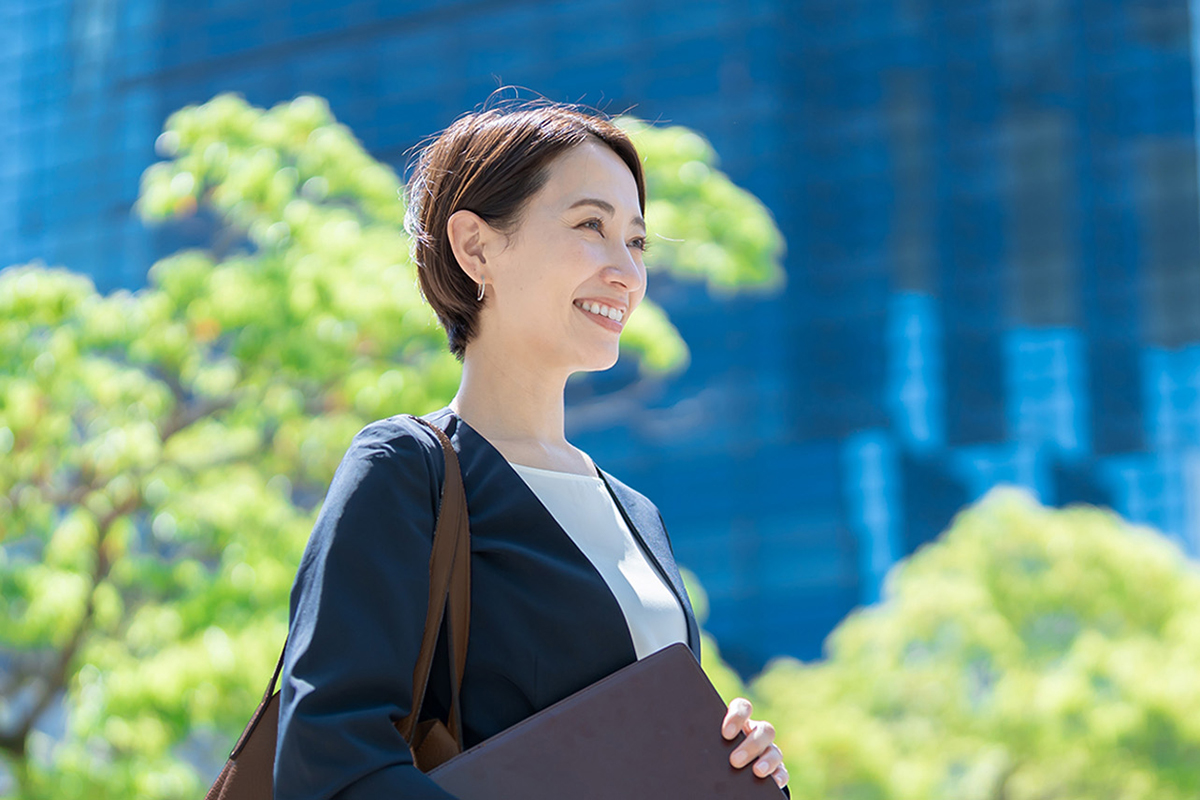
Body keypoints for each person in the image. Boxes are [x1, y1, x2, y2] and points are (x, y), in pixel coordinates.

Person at [273, 100, 790, 798]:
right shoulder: (405, 470)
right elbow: (332, 762)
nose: (627, 273)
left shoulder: (635, 513)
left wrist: (730, 761)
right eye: (590, 226)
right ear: (477, 247)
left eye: (636, 242)